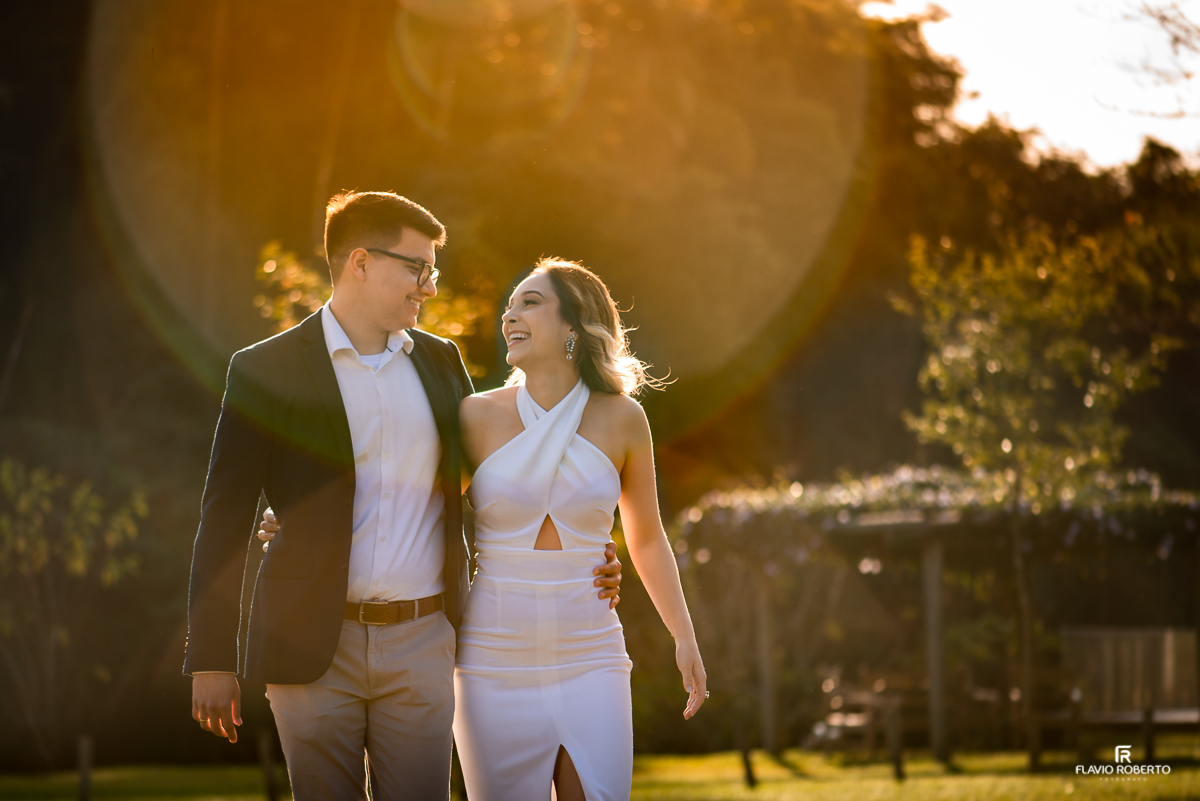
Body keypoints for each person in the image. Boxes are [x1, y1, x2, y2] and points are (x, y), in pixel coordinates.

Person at [184, 191, 621, 801]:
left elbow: (497, 486)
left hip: (424, 641)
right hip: (307, 640)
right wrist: (211, 657)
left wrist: (582, 551)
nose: (430, 287)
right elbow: (224, 516)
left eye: (432, 271)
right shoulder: (265, 368)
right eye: (418, 268)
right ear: (361, 262)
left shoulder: (441, 363)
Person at [452, 257, 708, 800]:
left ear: (574, 325)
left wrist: (684, 636)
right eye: (509, 306)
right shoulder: (474, 416)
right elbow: (417, 513)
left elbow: (646, 537)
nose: (509, 316)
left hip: (591, 653)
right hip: (493, 656)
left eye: (530, 303)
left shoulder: (623, 418)